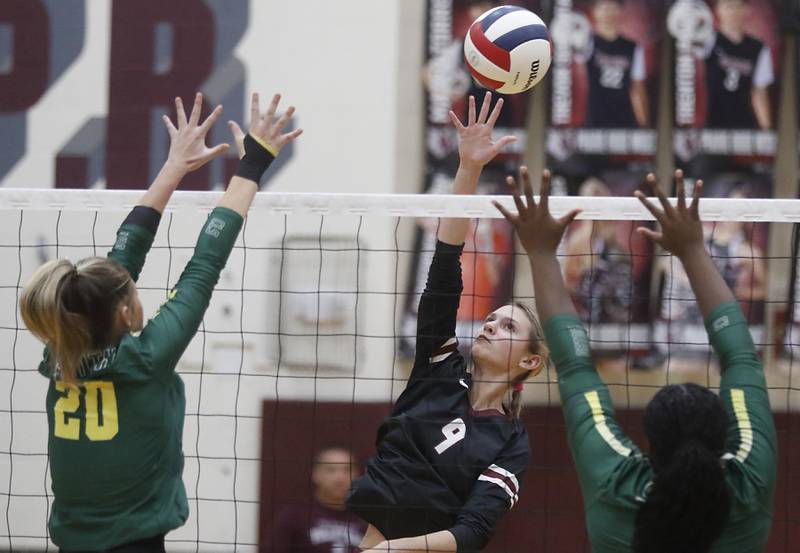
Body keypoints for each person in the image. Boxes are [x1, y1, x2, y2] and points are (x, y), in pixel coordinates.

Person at [19, 91, 301, 553]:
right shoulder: (145, 356)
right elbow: (204, 263)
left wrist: (174, 166)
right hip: (134, 542)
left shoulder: (61, 346)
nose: (135, 287)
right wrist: (254, 163)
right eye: (131, 290)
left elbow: (121, 260)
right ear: (124, 313)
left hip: (72, 540)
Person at [495, 168, 776, 552]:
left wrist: (541, 251)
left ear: (650, 445)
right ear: (722, 437)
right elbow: (742, 356)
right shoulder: (748, 483)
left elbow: (576, 367)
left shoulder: (617, 482)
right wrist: (694, 248)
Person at [347, 92, 548, 552]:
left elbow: (473, 531)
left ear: (532, 362)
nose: (491, 326)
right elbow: (443, 270)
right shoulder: (439, 369)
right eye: (493, 319)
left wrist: (395, 550)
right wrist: (469, 170)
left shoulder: (511, 442)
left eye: (508, 327)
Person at [269, 446, 366, 552]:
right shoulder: (294, 516)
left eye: (347, 470)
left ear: (357, 476)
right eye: (331, 470)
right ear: (316, 474)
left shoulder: (368, 520)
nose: (340, 478)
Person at [702, 0, 774, 129]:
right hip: (712, 125)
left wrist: (766, 130)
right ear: (718, 10)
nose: (733, 12)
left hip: (745, 125)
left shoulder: (758, 48)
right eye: (728, 6)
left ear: (746, 10)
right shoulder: (707, 42)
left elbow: (760, 93)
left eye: (737, 6)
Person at [577, 0, 649, 128]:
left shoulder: (632, 47)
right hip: (595, 118)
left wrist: (644, 124)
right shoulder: (585, 43)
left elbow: (637, 89)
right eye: (603, 8)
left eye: (612, 7)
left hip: (624, 119)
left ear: (620, 11)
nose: (607, 13)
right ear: (594, 11)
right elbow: (576, 85)